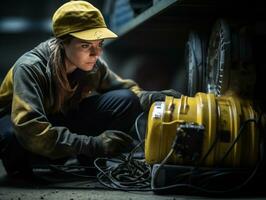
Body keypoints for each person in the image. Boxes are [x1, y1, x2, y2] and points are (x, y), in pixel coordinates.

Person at [0, 0, 181, 176]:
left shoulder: (92, 65)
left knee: (126, 99)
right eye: (86, 45)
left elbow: (123, 88)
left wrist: (150, 98)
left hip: (57, 122)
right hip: (25, 134)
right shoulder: (30, 68)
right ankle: (34, 166)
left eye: (99, 44)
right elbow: (30, 128)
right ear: (62, 42)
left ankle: (89, 162)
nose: (95, 53)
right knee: (11, 137)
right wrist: (93, 144)